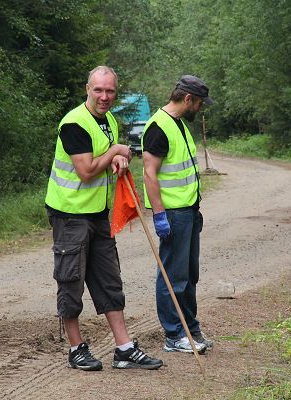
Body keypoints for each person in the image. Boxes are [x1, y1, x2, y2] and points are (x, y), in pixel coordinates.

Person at [45, 66, 163, 371]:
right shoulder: (74, 123)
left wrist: (119, 159)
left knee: (109, 279)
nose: (104, 97)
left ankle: (124, 349)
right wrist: (116, 151)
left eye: (110, 91)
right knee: (71, 280)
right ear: (87, 89)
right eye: (98, 90)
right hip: (69, 213)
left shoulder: (107, 119)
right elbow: (85, 171)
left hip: (98, 213)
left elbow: (106, 158)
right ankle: (76, 349)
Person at [141, 75, 214, 354]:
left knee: (189, 274)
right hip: (173, 213)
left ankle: (190, 328)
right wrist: (160, 215)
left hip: (188, 210)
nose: (200, 108)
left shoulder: (179, 124)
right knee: (173, 276)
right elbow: (150, 174)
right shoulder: (159, 127)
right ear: (187, 99)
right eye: (199, 103)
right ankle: (174, 334)